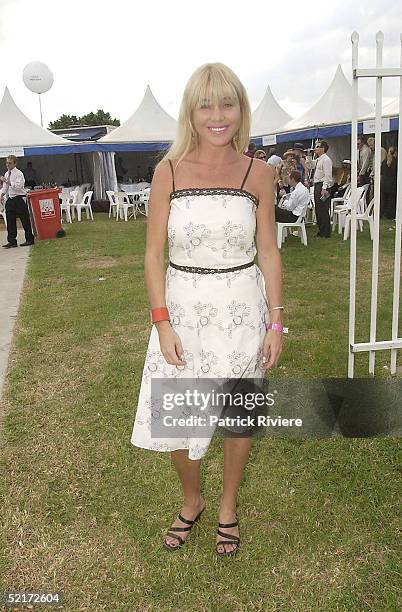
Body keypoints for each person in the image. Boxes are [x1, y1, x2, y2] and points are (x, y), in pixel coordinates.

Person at [130, 63, 284, 557]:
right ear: (190, 113)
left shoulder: (259, 173)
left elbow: (270, 251)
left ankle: (228, 506)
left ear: (241, 110)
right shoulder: (168, 170)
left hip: (242, 309)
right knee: (177, 417)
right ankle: (192, 501)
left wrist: (276, 321)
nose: (218, 116)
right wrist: (161, 320)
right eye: (206, 105)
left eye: (228, 103)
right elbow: (153, 253)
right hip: (182, 313)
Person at [0, 155, 35, 248]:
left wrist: (7, 181)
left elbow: (19, 186)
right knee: (10, 220)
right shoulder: (7, 174)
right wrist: (2, 194)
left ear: (15, 163)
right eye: (7, 163)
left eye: (10, 163)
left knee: (24, 219)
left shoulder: (19, 174)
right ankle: (12, 241)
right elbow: (5, 187)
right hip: (10, 198)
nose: (7, 165)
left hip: (18, 198)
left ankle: (29, 239)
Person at [310, 141, 333, 238]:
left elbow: (328, 175)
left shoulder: (326, 160)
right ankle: (321, 230)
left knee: (323, 209)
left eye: (318, 147)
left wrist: (324, 187)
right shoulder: (319, 159)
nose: (316, 148)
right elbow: (311, 166)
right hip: (317, 184)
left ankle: (326, 232)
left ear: (323, 148)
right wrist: (308, 157)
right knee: (318, 209)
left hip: (323, 185)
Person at [380, 146, 398, 219]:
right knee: (391, 200)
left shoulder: (384, 161)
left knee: (384, 200)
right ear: (395, 153)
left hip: (384, 183)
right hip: (392, 183)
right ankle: (390, 215)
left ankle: (382, 213)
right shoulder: (396, 162)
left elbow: (382, 172)